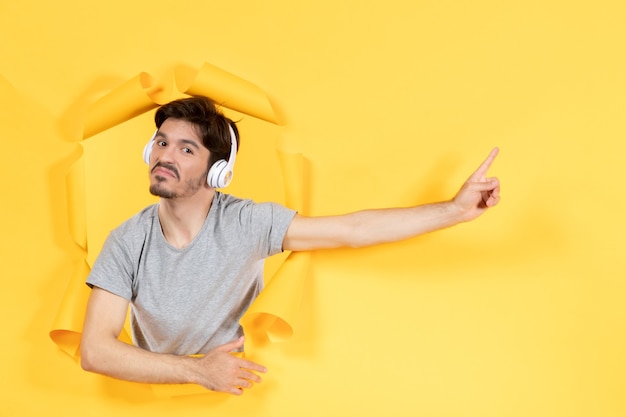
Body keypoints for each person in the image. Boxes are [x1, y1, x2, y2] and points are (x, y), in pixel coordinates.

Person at [80, 95, 501, 396]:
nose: (164, 155)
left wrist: (454, 210)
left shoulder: (245, 222)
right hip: (162, 400)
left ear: (219, 172)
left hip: (245, 396)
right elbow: (95, 350)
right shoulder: (126, 240)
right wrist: (199, 371)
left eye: (186, 148)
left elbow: (351, 231)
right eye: (161, 142)